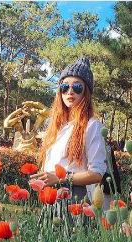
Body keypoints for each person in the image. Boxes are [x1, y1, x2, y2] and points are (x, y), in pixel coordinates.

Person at [31, 56, 106, 205]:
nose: (70, 92)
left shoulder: (93, 126)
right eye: (64, 87)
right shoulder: (55, 127)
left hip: (74, 197)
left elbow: (97, 174)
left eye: (77, 87)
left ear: (86, 92)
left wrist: (61, 178)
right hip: (50, 196)